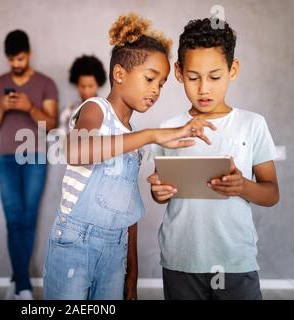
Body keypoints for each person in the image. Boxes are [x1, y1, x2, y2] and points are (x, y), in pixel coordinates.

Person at [43, 13, 216, 300]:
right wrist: (152, 134)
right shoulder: (95, 108)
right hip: (75, 243)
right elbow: (77, 151)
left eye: (160, 84)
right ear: (120, 74)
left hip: (116, 249)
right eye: (149, 78)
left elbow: (126, 208)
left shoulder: (132, 138)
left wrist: (131, 275)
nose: (155, 90)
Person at [147, 18, 280, 300]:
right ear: (179, 73)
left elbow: (271, 193)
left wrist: (243, 186)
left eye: (214, 77)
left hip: (235, 261)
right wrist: (158, 192)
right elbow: (162, 194)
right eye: (194, 77)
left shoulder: (252, 124)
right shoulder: (168, 128)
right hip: (180, 260)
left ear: (233, 70)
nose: (204, 88)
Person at [0, 29, 59, 300]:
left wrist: (28, 106)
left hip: (36, 157)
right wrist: (2, 107)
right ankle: (23, 285)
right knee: (13, 220)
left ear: (28, 54)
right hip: (6, 158)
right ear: (7, 58)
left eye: (20, 58)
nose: (16, 64)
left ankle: (19, 280)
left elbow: (51, 125)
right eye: (11, 59)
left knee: (28, 220)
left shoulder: (46, 83)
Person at [59, 55, 107, 134]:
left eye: (90, 86)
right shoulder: (68, 111)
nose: (86, 91)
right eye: (82, 86)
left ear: (98, 84)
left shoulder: (107, 110)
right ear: (77, 84)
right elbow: (61, 138)